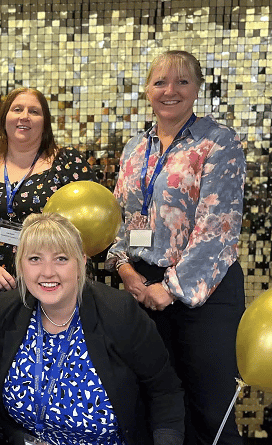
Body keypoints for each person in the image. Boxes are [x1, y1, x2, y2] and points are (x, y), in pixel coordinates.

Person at [105, 50, 246, 445]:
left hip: (203, 293)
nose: (171, 91)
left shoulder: (219, 143)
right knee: (153, 406)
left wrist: (169, 289)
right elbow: (123, 220)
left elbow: (217, 231)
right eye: (160, 82)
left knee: (209, 411)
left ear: (197, 88)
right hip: (141, 288)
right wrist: (126, 272)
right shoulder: (135, 148)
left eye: (182, 81)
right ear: (148, 89)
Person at [0, 213, 184, 445]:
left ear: (82, 262)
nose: (47, 272)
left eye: (61, 259)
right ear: (20, 264)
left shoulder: (118, 312)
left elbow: (165, 392)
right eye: (35, 259)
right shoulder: (9, 309)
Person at [0, 87, 94, 352]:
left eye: (34, 111)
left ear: (46, 122)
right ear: (4, 118)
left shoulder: (68, 164)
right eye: (17, 109)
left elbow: (90, 226)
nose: (25, 116)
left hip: (54, 289)